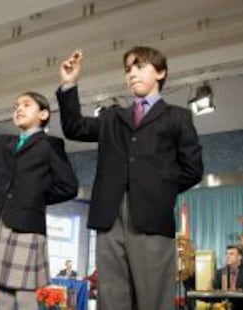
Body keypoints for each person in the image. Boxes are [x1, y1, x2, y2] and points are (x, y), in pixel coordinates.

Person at [56, 47, 203, 310]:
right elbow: (74, 127)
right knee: (111, 297)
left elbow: (193, 169)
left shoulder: (178, 117)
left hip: (151, 218)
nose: (132, 73)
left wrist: (158, 192)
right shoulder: (112, 116)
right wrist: (69, 85)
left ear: (160, 72)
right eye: (127, 69)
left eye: (140, 66)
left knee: (153, 299)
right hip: (109, 216)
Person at [0, 86, 78, 310]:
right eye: (16, 106)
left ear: (43, 114)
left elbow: (68, 186)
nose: (19, 109)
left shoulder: (50, 146)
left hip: (28, 225)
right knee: (1, 289)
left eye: (26, 105)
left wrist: (34, 199)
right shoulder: (2, 143)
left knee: (24, 292)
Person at [214, 245, 243, 309]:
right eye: (227, 254)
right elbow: (215, 291)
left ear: (239, 257)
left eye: (231, 254)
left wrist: (242, 291)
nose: (228, 256)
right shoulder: (220, 272)